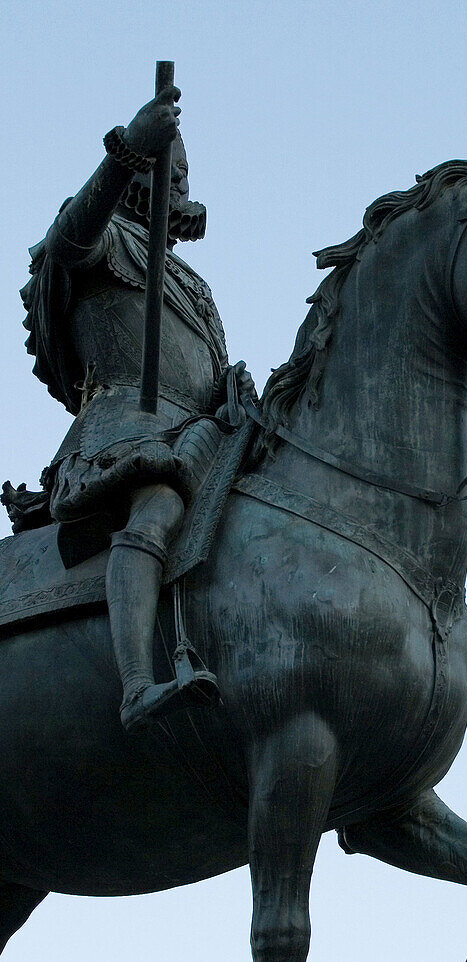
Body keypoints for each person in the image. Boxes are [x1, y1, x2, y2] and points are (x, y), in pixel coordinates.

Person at [22, 86, 232, 731]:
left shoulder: (193, 284)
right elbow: (66, 240)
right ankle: (138, 684)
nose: (179, 180)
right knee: (158, 504)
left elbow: (207, 376)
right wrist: (125, 153)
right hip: (125, 429)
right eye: (167, 167)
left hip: (199, 434)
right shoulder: (99, 235)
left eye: (186, 172)